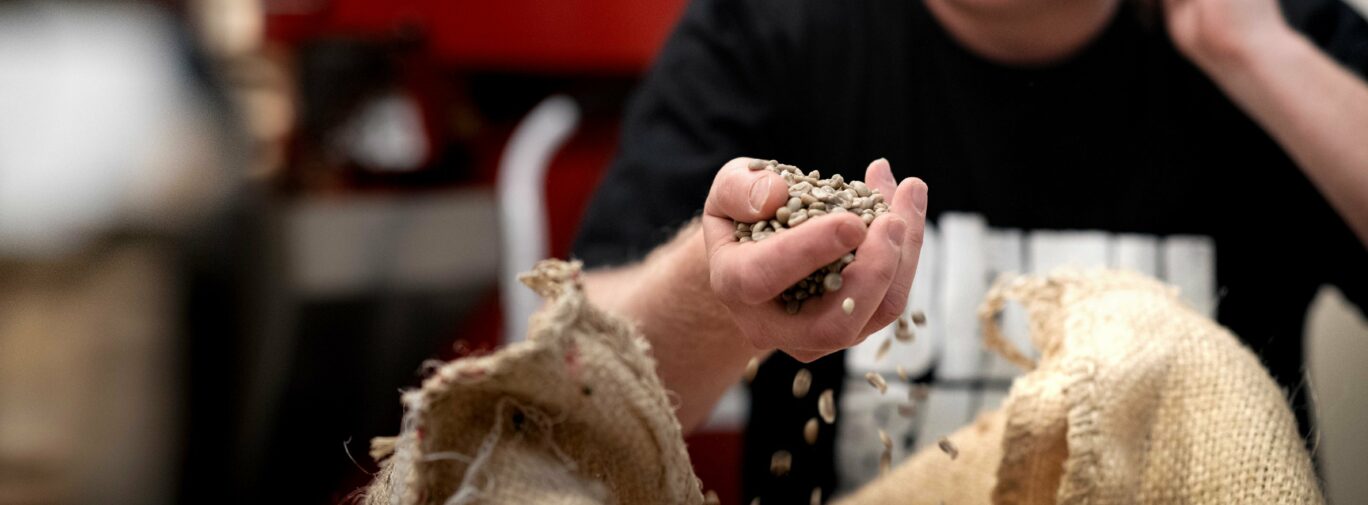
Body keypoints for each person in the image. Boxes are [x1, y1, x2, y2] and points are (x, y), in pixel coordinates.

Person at [571, 0, 1368, 501]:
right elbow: (569, 386)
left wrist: (1250, 48)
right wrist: (718, 287)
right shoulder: (773, 28)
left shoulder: (1274, 33)